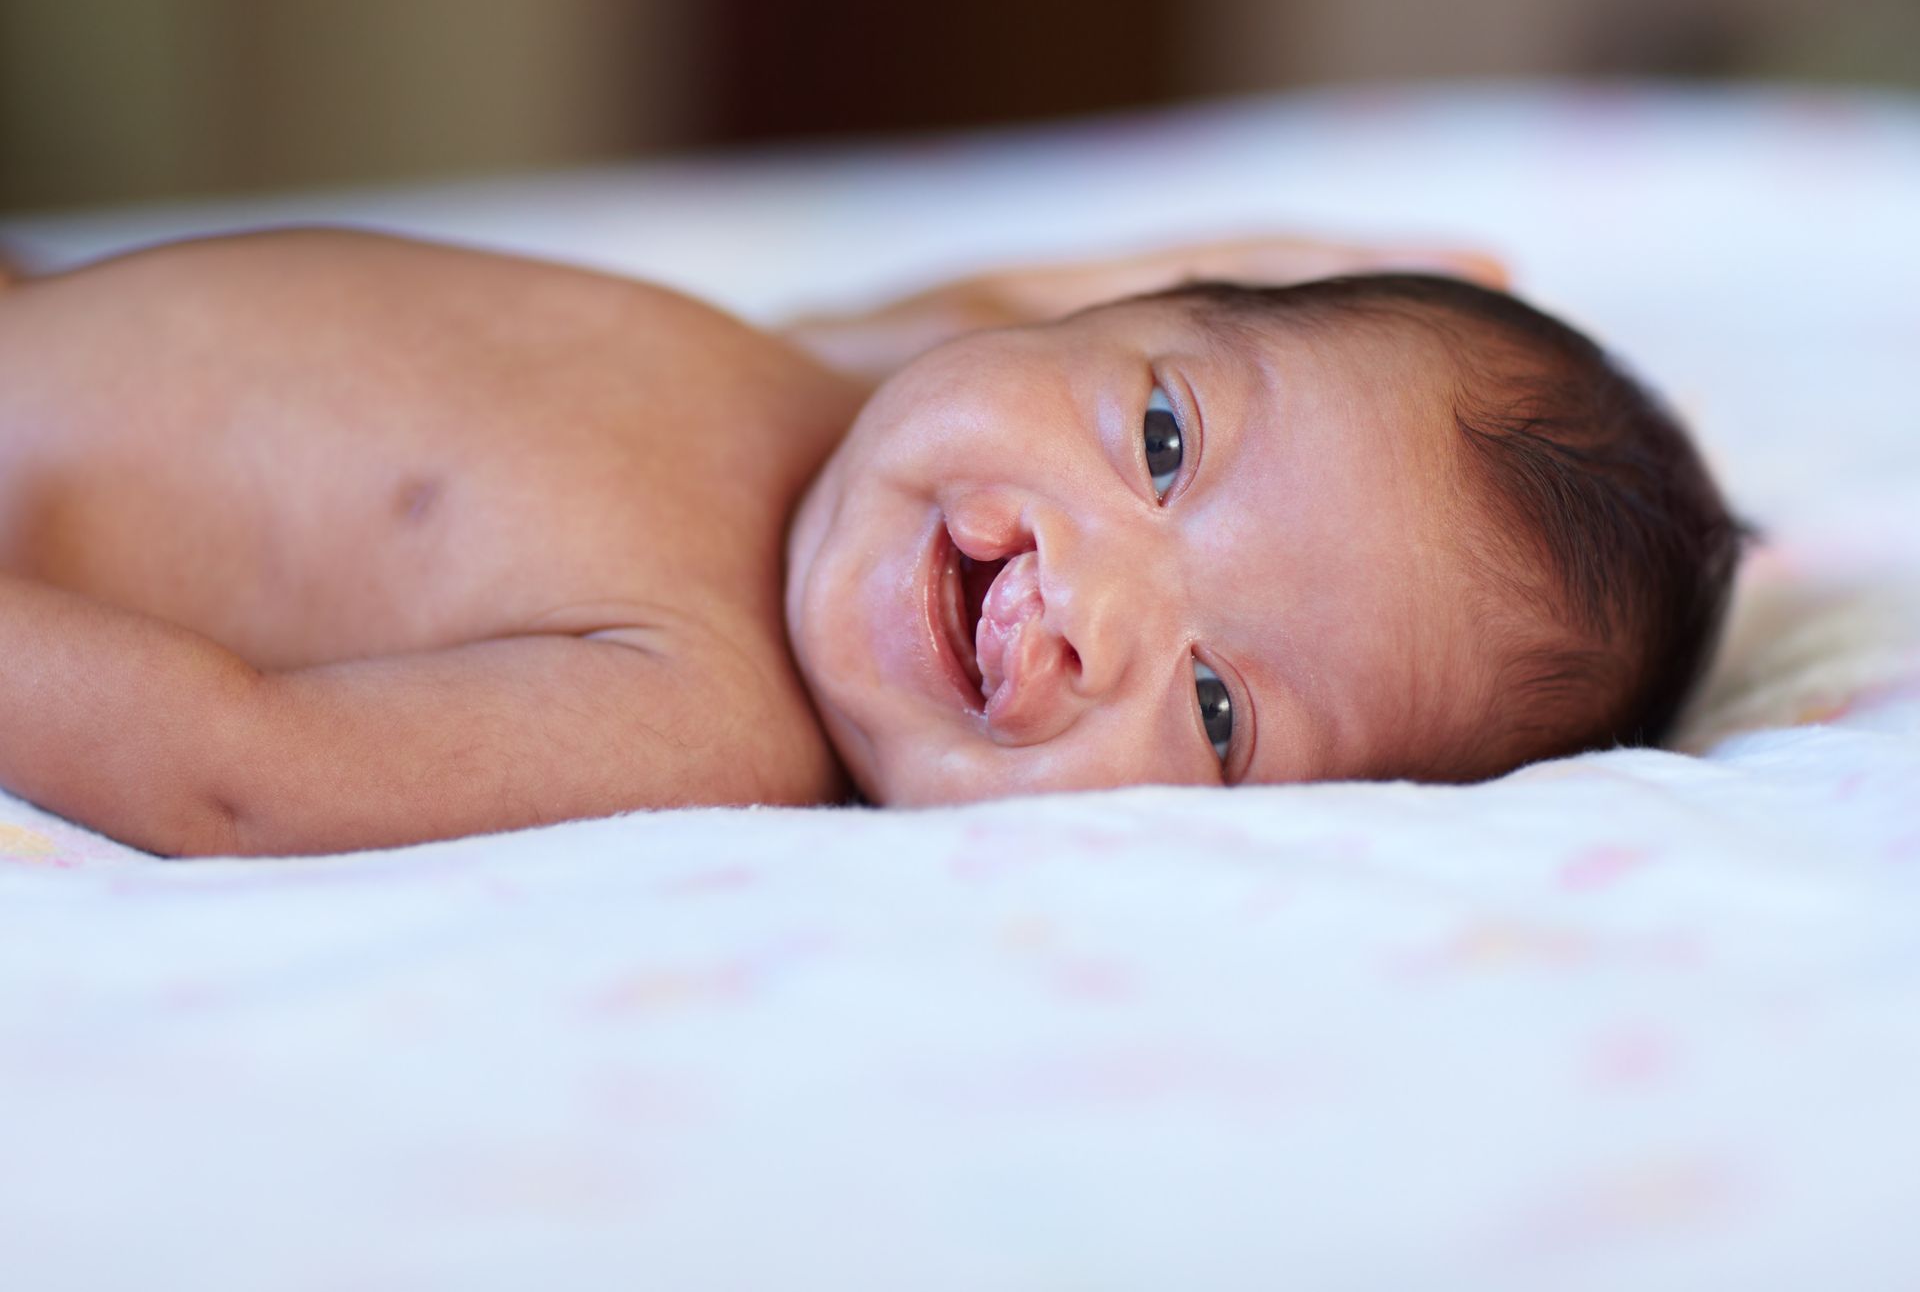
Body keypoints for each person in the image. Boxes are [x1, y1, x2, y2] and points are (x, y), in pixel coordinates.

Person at [0, 229, 1740, 856]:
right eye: (1162, 441)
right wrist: (1326, 254)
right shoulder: (856, 375)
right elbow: (1025, 299)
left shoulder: (697, 711)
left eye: (1219, 713)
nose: (1098, 599)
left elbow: (233, 765)